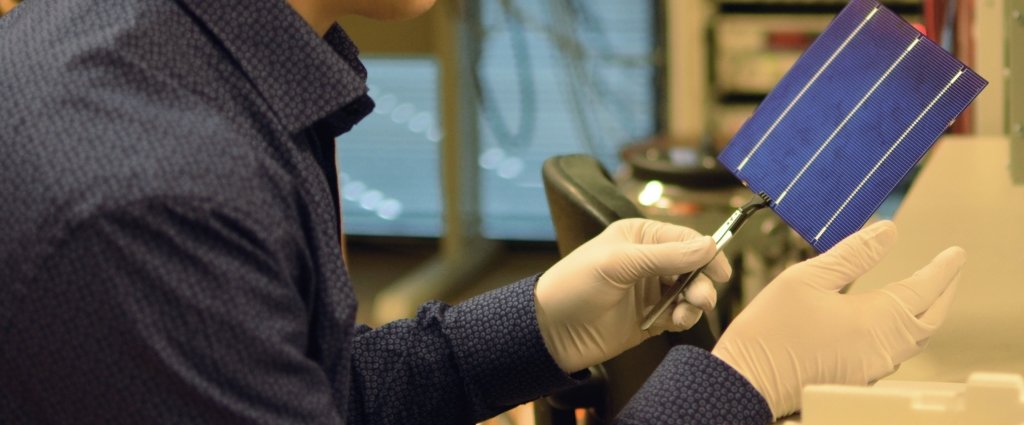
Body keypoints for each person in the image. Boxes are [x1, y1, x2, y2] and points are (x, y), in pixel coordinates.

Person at [0, 0, 965, 424]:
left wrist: (536, 326)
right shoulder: (154, 198)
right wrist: (746, 380)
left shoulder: (185, 56)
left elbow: (297, 386)